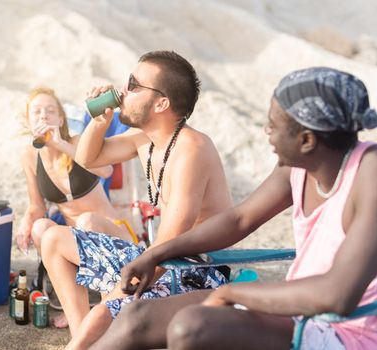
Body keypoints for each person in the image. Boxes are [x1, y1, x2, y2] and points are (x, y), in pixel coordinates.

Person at [90, 67, 377, 350]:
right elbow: (238, 219)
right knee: (139, 316)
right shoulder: (300, 166)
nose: (267, 132)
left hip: (355, 333)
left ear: (307, 140)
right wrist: (155, 254)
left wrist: (235, 292)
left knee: (193, 327)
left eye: (274, 125)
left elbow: (338, 295)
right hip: (299, 312)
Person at [39, 51, 233, 349]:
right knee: (53, 239)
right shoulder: (144, 139)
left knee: (105, 312)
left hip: (192, 272)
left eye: (133, 84)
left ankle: (85, 341)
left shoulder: (192, 148)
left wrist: (114, 300)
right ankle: (82, 338)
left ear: (161, 102)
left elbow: (173, 239)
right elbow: (87, 158)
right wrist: (100, 121)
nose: (123, 90)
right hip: (158, 259)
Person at [17, 87, 136, 324]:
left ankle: (105, 311)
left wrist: (61, 145)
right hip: (73, 243)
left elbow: (106, 170)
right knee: (41, 226)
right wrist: (25, 221)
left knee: (87, 221)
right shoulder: (30, 156)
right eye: (37, 112)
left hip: (112, 232)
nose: (43, 116)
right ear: (29, 121)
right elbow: (37, 205)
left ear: (60, 119)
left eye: (50, 111)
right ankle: (75, 311)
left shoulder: (77, 142)